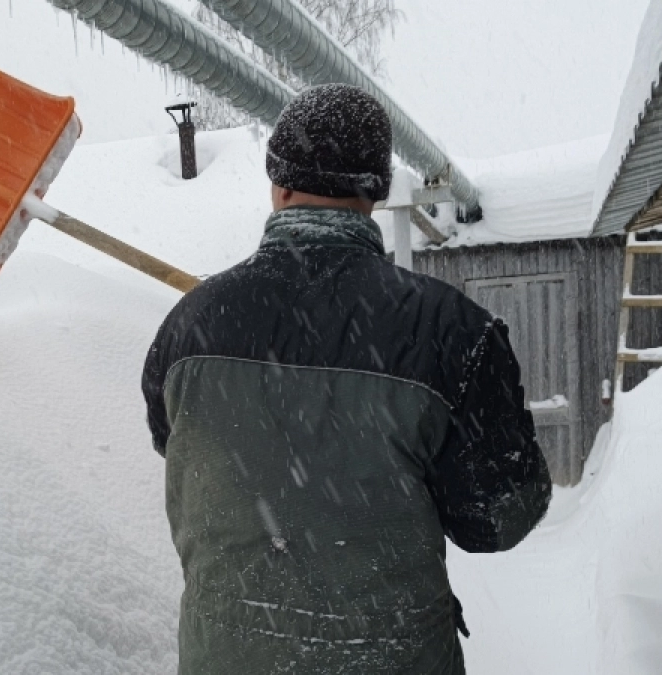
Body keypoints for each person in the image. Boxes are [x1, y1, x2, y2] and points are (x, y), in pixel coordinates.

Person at [142, 83, 551, 674]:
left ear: (278, 184)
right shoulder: (452, 332)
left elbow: (176, 448)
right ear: (378, 191)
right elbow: (497, 520)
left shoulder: (188, 327)